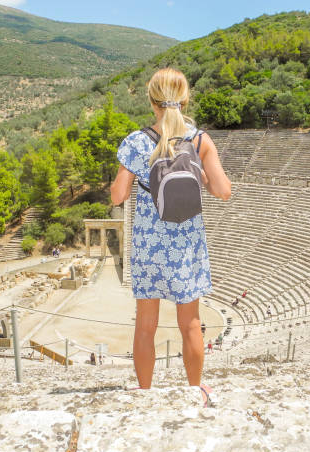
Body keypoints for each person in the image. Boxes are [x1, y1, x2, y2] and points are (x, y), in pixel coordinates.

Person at [110, 68, 231, 398]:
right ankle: (194, 391)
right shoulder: (200, 140)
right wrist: (202, 174)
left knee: (145, 324)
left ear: (151, 101)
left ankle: (145, 392)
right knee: (190, 323)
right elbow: (223, 191)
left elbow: (118, 197)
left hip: (150, 246)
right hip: (187, 245)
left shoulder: (136, 141)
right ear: (185, 98)